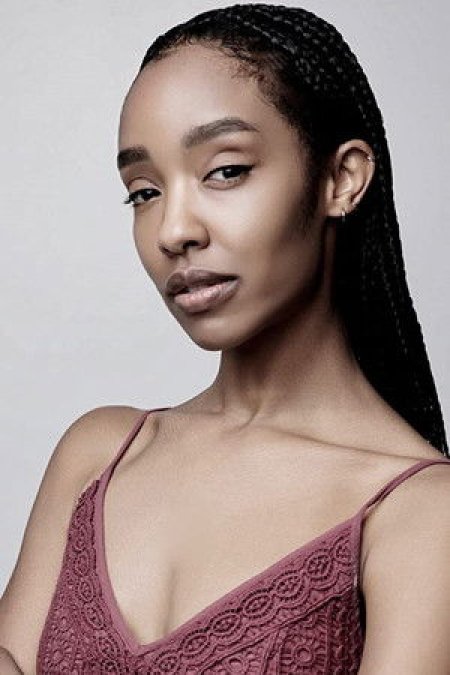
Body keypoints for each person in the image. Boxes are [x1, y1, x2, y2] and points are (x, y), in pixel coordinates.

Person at [1, 3, 450, 673]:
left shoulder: (420, 515)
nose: (173, 230)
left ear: (341, 179)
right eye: (144, 191)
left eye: (226, 171)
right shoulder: (99, 455)